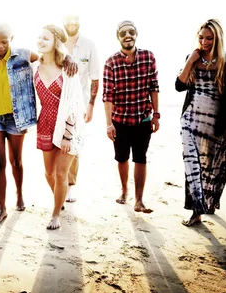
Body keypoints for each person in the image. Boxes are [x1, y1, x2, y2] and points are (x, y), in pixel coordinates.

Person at [0, 24, 77, 225]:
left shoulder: (24, 55)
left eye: (4, 41)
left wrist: (69, 57)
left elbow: (49, 61)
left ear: (12, 38)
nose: (0, 46)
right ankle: (2, 208)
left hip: (16, 117)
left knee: (16, 161)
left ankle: (19, 195)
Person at [175, 19, 226, 226]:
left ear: (217, 38)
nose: (204, 42)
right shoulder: (192, 57)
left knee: (212, 166)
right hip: (191, 118)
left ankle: (209, 202)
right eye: (201, 37)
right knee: (191, 163)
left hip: (216, 121)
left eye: (209, 38)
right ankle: (196, 212)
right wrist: (189, 62)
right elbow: (179, 86)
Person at [103, 20, 160, 214]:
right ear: (118, 37)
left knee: (140, 158)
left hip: (143, 118)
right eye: (123, 33)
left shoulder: (148, 57)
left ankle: (139, 200)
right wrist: (109, 124)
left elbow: (154, 87)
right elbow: (108, 96)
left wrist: (156, 115)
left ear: (136, 34)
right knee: (121, 158)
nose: (128, 36)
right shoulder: (111, 62)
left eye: (131, 32)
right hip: (120, 121)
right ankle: (124, 190)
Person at [34, 25, 84, 230]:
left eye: (45, 38)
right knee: (48, 173)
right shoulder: (34, 66)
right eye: (39, 37)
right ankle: (59, 198)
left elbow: (74, 104)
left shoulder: (67, 68)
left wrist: (68, 135)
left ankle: (55, 215)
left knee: (62, 173)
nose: (40, 41)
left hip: (67, 126)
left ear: (56, 42)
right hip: (45, 122)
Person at [62, 14, 100, 203]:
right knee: (56, 143)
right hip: (56, 102)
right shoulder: (57, 43)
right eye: (68, 20)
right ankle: (58, 184)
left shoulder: (89, 45)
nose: (71, 23)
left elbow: (94, 78)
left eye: (74, 20)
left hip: (79, 103)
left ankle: (70, 187)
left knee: (73, 145)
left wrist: (91, 105)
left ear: (79, 22)